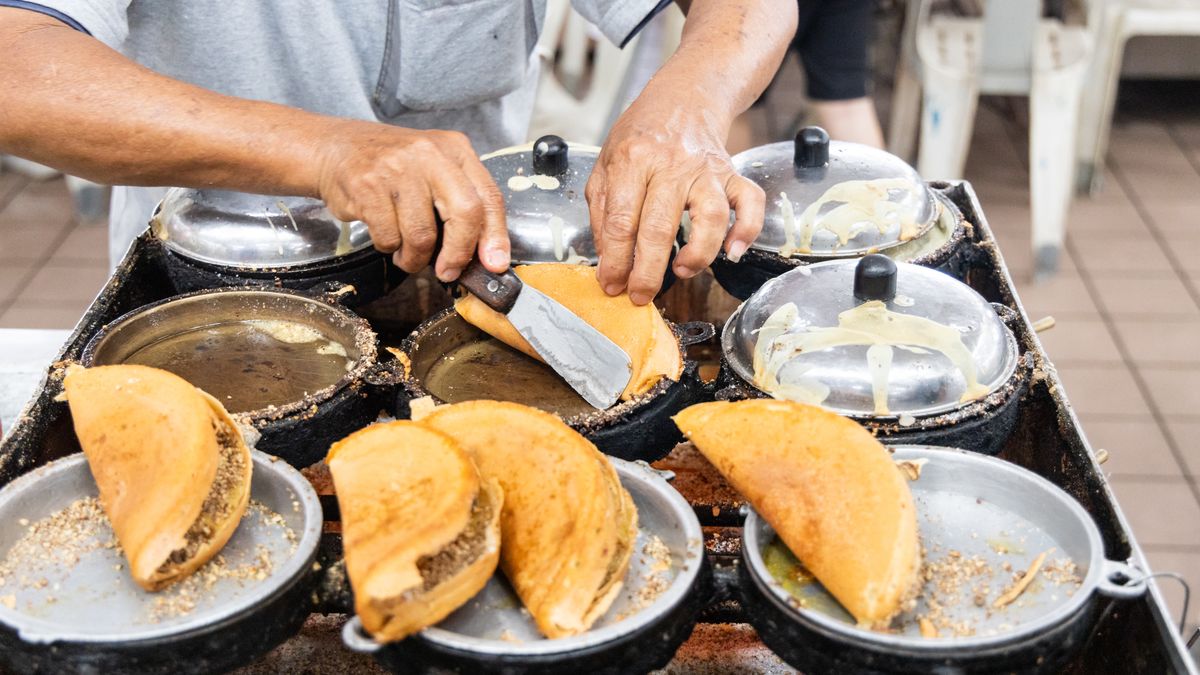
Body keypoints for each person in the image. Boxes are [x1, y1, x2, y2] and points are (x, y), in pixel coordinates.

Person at [0, 1, 797, 306]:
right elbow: (15, 62)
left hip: (476, 282)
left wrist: (685, 106)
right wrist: (325, 150)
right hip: (218, 282)